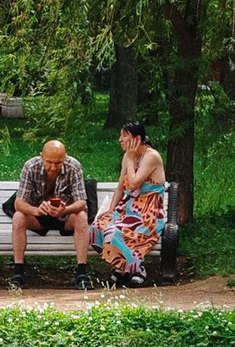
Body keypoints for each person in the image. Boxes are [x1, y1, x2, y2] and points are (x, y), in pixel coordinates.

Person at [94, 120, 169, 287]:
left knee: (115, 231)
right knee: (98, 226)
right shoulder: (128, 156)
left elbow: (134, 183)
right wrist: (111, 210)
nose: (120, 139)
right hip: (128, 210)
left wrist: (129, 159)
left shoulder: (151, 156)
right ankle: (123, 268)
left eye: (124, 136)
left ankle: (137, 269)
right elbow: (121, 187)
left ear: (137, 138)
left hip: (148, 213)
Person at [9, 138, 91, 288]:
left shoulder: (74, 166)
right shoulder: (30, 167)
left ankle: (82, 273)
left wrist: (65, 209)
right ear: (41, 157)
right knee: (18, 217)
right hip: (38, 216)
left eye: (58, 163)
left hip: (65, 216)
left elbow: (82, 202)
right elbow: (19, 203)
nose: (53, 167)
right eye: (49, 162)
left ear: (65, 158)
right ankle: (18, 273)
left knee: (81, 216)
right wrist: (36, 210)